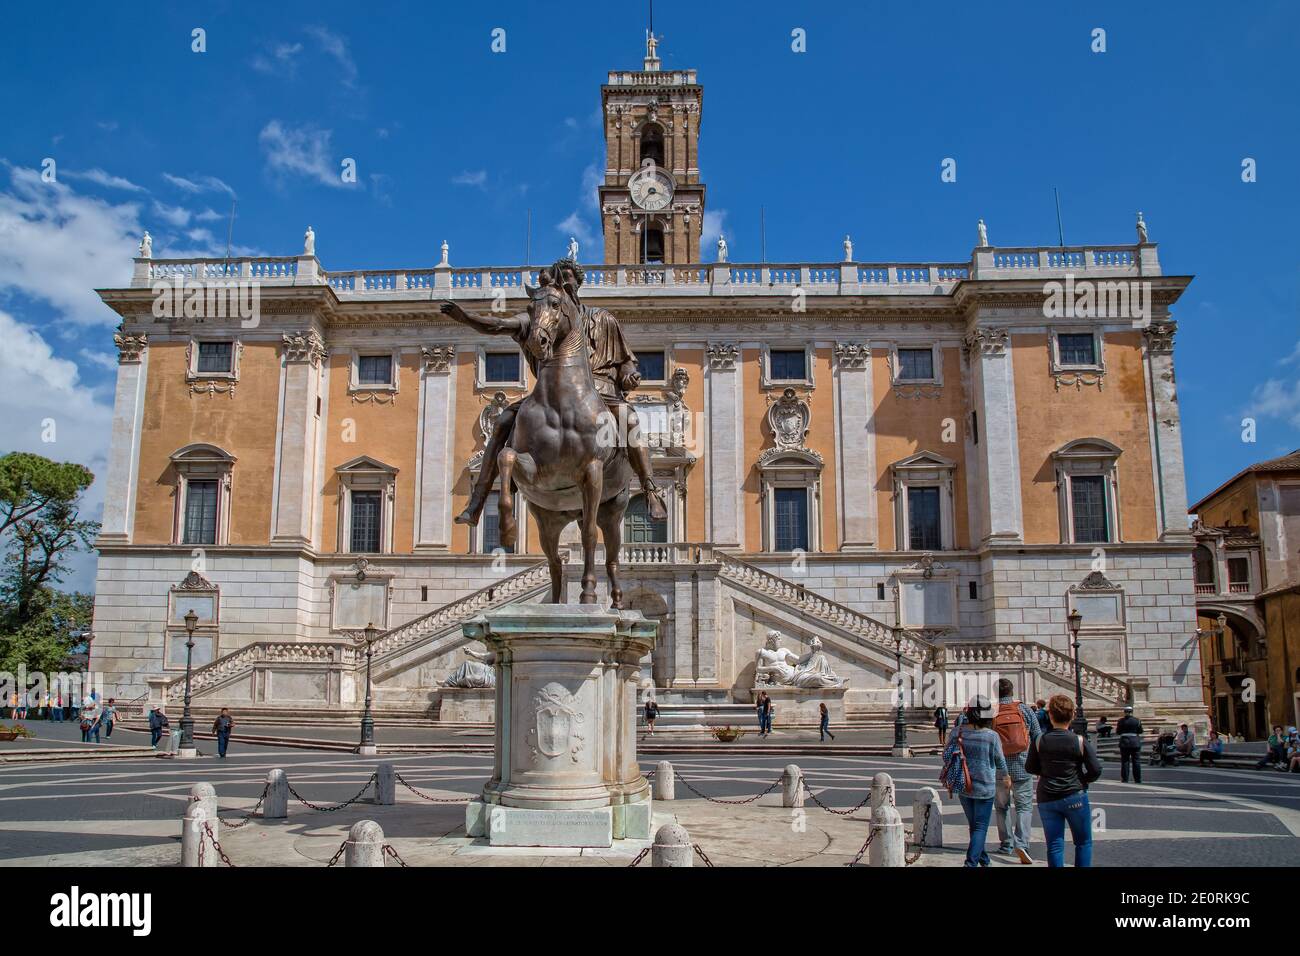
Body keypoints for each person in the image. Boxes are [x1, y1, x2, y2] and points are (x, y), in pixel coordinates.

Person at [1025, 694, 1102, 867]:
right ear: (1073, 715)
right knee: (1083, 842)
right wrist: (1083, 780)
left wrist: (1044, 772)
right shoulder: (1079, 740)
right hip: (1074, 794)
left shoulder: (1039, 740)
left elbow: (1030, 768)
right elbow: (1096, 769)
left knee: (1054, 845)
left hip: (1047, 797)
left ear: (1050, 715)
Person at [943, 695, 1010, 867]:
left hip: (963, 783)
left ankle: (984, 860)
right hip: (985, 787)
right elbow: (1000, 760)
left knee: (974, 826)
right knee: (980, 827)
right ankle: (970, 863)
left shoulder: (957, 731)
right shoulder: (991, 736)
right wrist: (1006, 777)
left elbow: (946, 755)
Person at [991, 678, 1042, 864]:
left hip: (999, 770)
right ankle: (1022, 843)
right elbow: (1037, 736)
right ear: (1012, 691)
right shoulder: (1025, 710)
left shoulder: (993, 711)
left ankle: (1006, 844)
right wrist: (1039, 764)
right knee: (1024, 807)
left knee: (1001, 808)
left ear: (996, 692)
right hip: (1023, 766)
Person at [1116, 705, 1144, 783]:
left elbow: (1118, 732)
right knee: (1136, 761)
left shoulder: (1121, 721)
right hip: (1135, 742)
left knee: (1125, 761)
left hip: (1124, 742)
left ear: (1125, 712)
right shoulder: (1137, 720)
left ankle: (1125, 779)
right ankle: (1137, 779)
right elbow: (1140, 731)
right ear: (1132, 712)